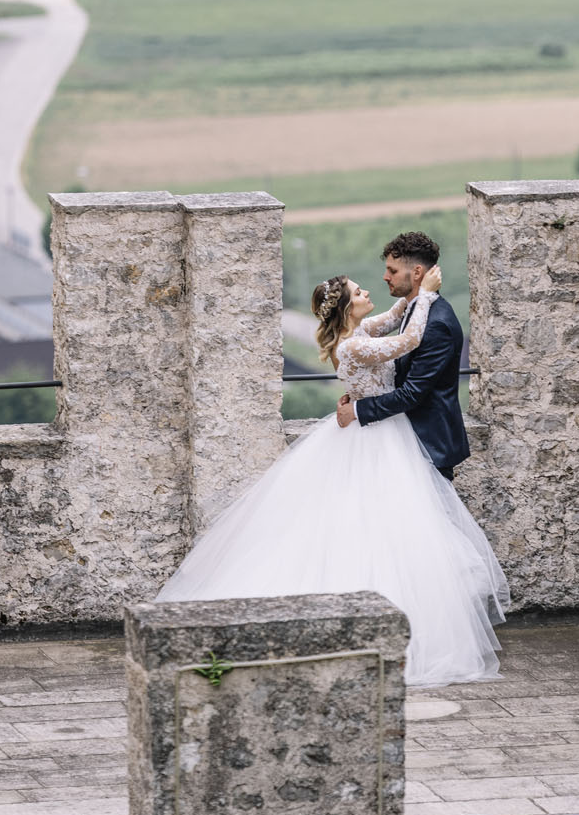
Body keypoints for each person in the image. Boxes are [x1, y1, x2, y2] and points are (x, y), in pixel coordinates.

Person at [155, 236, 507, 686]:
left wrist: (419, 297)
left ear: (413, 272)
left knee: (391, 529)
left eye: (389, 272)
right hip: (379, 437)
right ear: (346, 308)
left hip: (386, 432)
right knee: (377, 530)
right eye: (360, 291)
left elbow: (397, 324)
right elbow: (409, 340)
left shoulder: (364, 331)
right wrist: (426, 296)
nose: (376, 284)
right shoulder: (355, 345)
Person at [336, 230, 470, 479]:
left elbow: (413, 393)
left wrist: (357, 410)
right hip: (403, 441)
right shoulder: (414, 309)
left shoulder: (436, 323)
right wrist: (358, 391)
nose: (385, 277)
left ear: (417, 273)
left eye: (393, 270)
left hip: (429, 445)